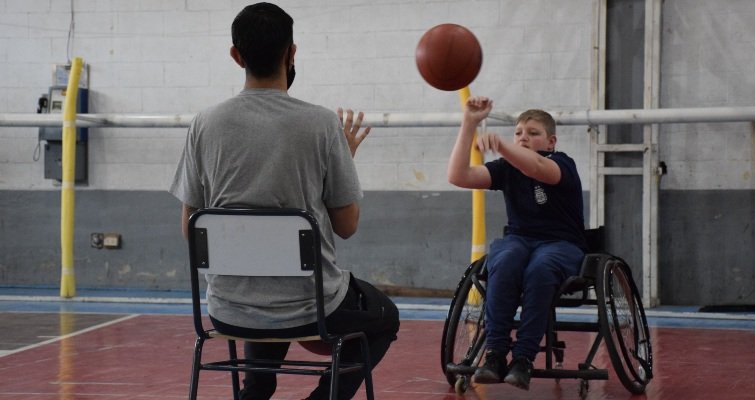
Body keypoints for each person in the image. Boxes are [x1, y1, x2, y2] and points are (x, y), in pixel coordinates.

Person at [169, 3, 399, 399]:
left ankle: (256, 387)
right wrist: (344, 159)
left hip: (228, 309)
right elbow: (347, 227)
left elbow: (191, 230)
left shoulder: (204, 124)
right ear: (292, 53)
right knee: (386, 318)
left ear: (235, 55)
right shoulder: (322, 123)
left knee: (261, 297)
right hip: (312, 308)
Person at [447, 96, 587, 391]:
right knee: (506, 257)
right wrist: (469, 123)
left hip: (561, 244)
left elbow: (536, 168)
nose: (523, 137)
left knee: (541, 267)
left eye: (533, 133)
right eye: (519, 132)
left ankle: (523, 358)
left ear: (550, 142)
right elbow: (458, 176)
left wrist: (501, 145)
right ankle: (495, 354)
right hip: (520, 240)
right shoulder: (507, 167)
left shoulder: (562, 163)